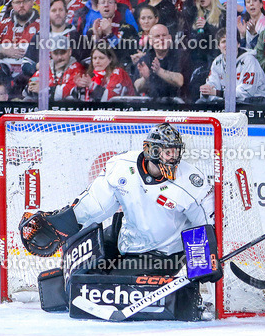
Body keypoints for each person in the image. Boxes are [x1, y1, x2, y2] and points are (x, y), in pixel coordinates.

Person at [19, 123, 215, 322]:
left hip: (163, 253)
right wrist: (63, 223)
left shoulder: (191, 181)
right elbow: (96, 204)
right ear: (152, 150)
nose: (173, 157)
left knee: (105, 286)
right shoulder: (122, 165)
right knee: (81, 275)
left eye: (176, 152)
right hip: (124, 237)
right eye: (168, 152)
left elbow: (205, 224)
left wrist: (204, 263)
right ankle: (64, 290)